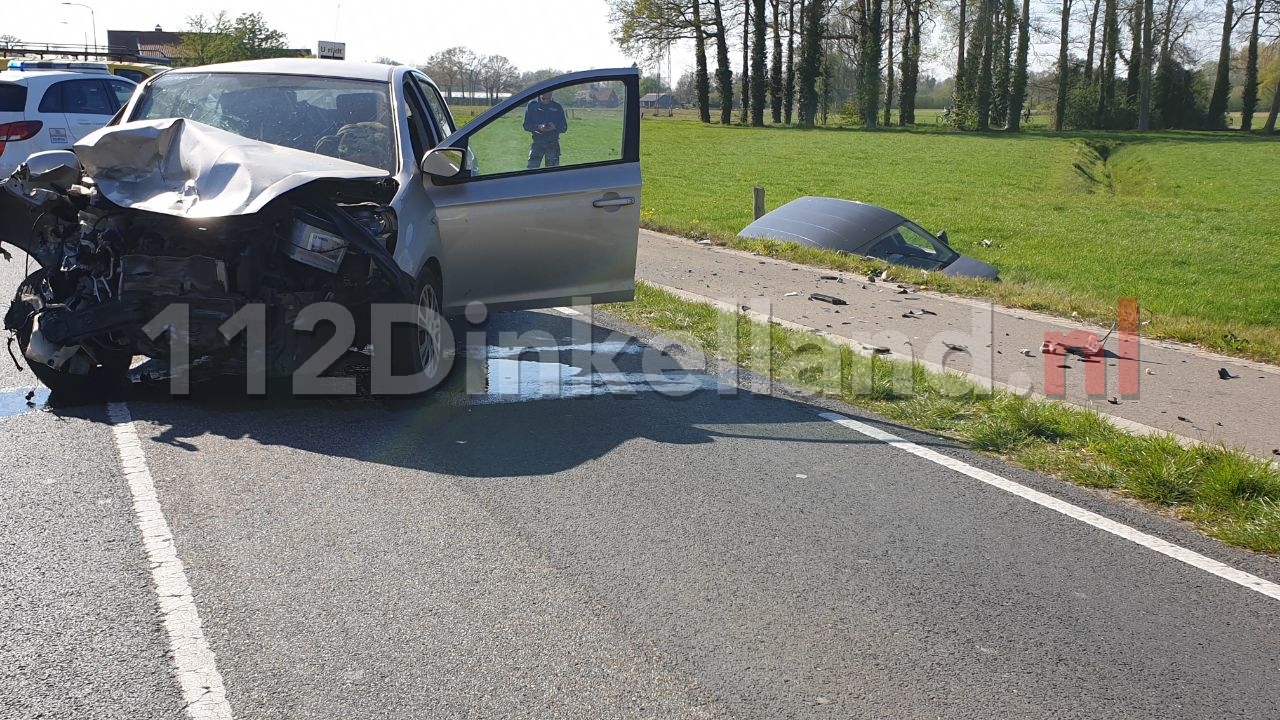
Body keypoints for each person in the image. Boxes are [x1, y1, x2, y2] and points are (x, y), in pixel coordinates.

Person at [523, 91, 568, 169]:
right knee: (531, 170)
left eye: (550, 92)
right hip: (537, 143)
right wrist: (538, 127)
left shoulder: (557, 107)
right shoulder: (532, 106)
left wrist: (555, 127)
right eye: (546, 92)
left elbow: (564, 127)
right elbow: (526, 125)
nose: (548, 93)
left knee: (552, 173)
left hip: (553, 144)